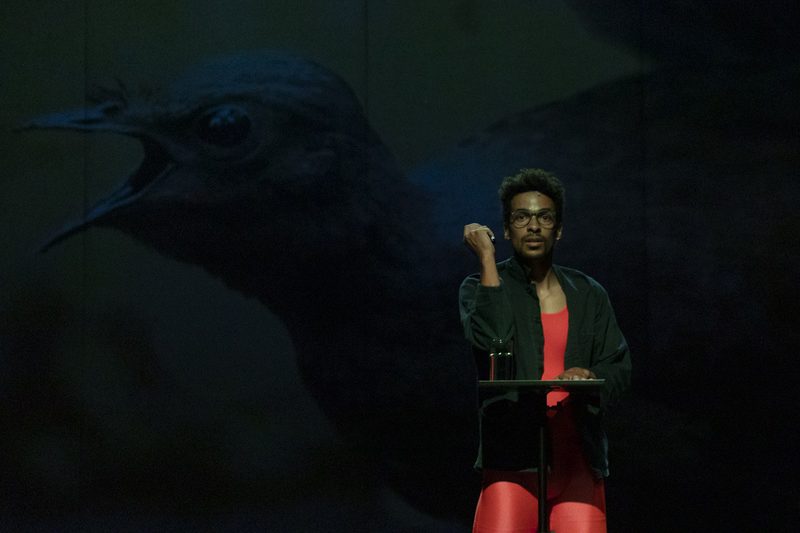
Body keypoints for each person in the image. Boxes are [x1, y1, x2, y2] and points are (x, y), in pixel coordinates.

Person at [460, 168, 631, 533]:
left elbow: (619, 367)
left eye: (544, 217)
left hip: (577, 460)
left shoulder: (588, 293)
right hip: (511, 460)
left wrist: (589, 378)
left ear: (559, 229)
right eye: (522, 217)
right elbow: (493, 343)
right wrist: (488, 261)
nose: (533, 226)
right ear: (506, 229)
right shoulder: (479, 287)